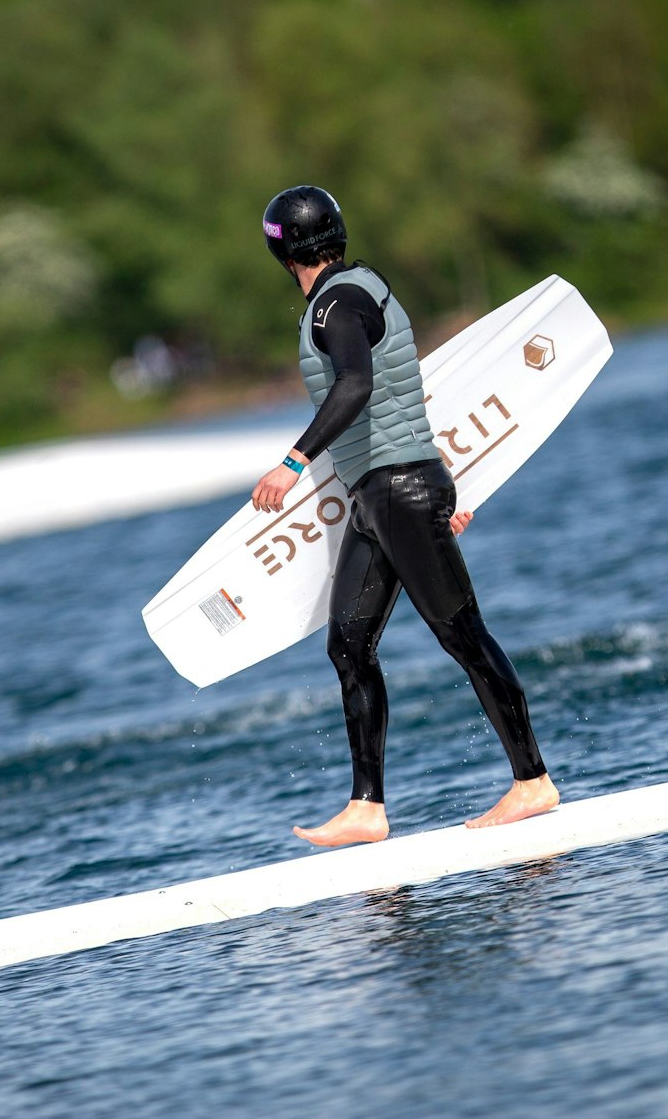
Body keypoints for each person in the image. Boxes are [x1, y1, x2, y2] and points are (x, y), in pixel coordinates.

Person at [250, 185, 559, 847]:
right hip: (380, 499)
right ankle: (367, 807)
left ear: (280, 251)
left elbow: (357, 386)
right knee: (348, 644)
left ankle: (532, 780)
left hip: (397, 492)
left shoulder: (335, 305)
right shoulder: (360, 289)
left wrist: (294, 462)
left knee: (463, 634)